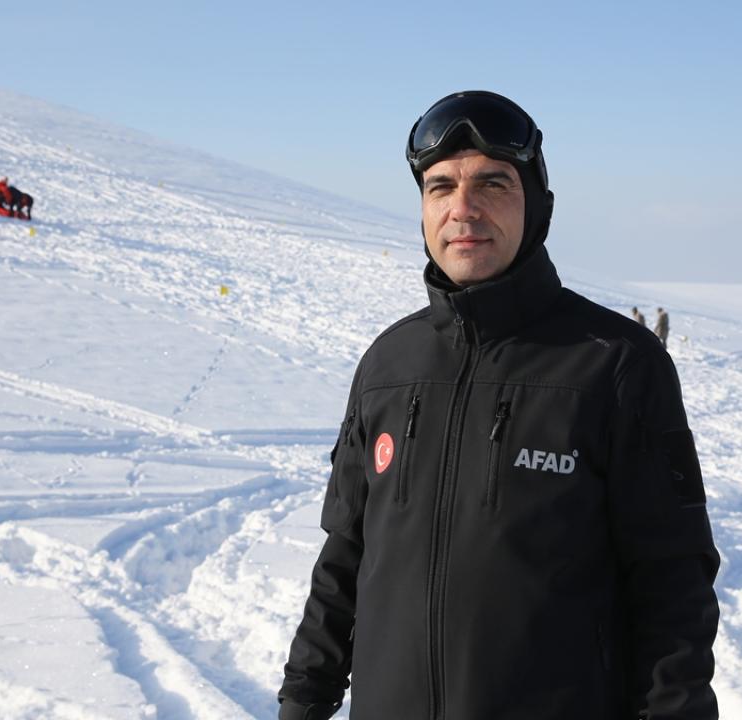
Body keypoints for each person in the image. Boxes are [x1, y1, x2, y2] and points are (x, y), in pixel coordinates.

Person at [278, 91, 719, 720]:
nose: (464, 208)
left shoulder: (615, 364)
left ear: (536, 205)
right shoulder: (387, 366)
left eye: (492, 183)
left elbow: (673, 584)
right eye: (440, 187)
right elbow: (343, 562)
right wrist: (302, 703)